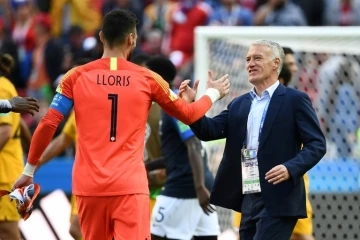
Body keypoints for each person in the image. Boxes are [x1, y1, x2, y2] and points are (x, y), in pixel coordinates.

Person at [12, 9, 230, 240]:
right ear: (132, 39)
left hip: (89, 187)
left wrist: (29, 169)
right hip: (129, 187)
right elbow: (189, 114)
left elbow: (48, 124)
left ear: (101, 37)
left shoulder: (75, 77)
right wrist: (213, 93)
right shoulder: (148, 78)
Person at [179, 39, 326, 240]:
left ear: (276, 63)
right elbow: (209, 130)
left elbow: (317, 144)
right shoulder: (239, 103)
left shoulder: (295, 99)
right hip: (248, 192)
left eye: (257, 58)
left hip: (280, 194)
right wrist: (190, 107)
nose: (250, 63)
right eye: (248, 59)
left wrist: (290, 168)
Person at [146, 56, 220, 240]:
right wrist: (144, 167)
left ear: (155, 77)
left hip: (186, 187)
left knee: (155, 236)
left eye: (145, 75)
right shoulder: (170, 103)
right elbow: (177, 155)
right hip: (198, 184)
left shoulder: (174, 104)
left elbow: (193, 144)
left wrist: (199, 186)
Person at [282, 47, 315, 240]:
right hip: (257, 182)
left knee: (301, 235)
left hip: (293, 179)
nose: (295, 68)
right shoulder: (252, 101)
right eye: (291, 63)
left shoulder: (297, 100)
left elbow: (316, 143)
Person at [0, 53, 33, 240]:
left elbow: (5, 131)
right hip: (10, 171)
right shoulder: (7, 87)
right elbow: (19, 123)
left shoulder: (1, 88)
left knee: (8, 233)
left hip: (4, 177)